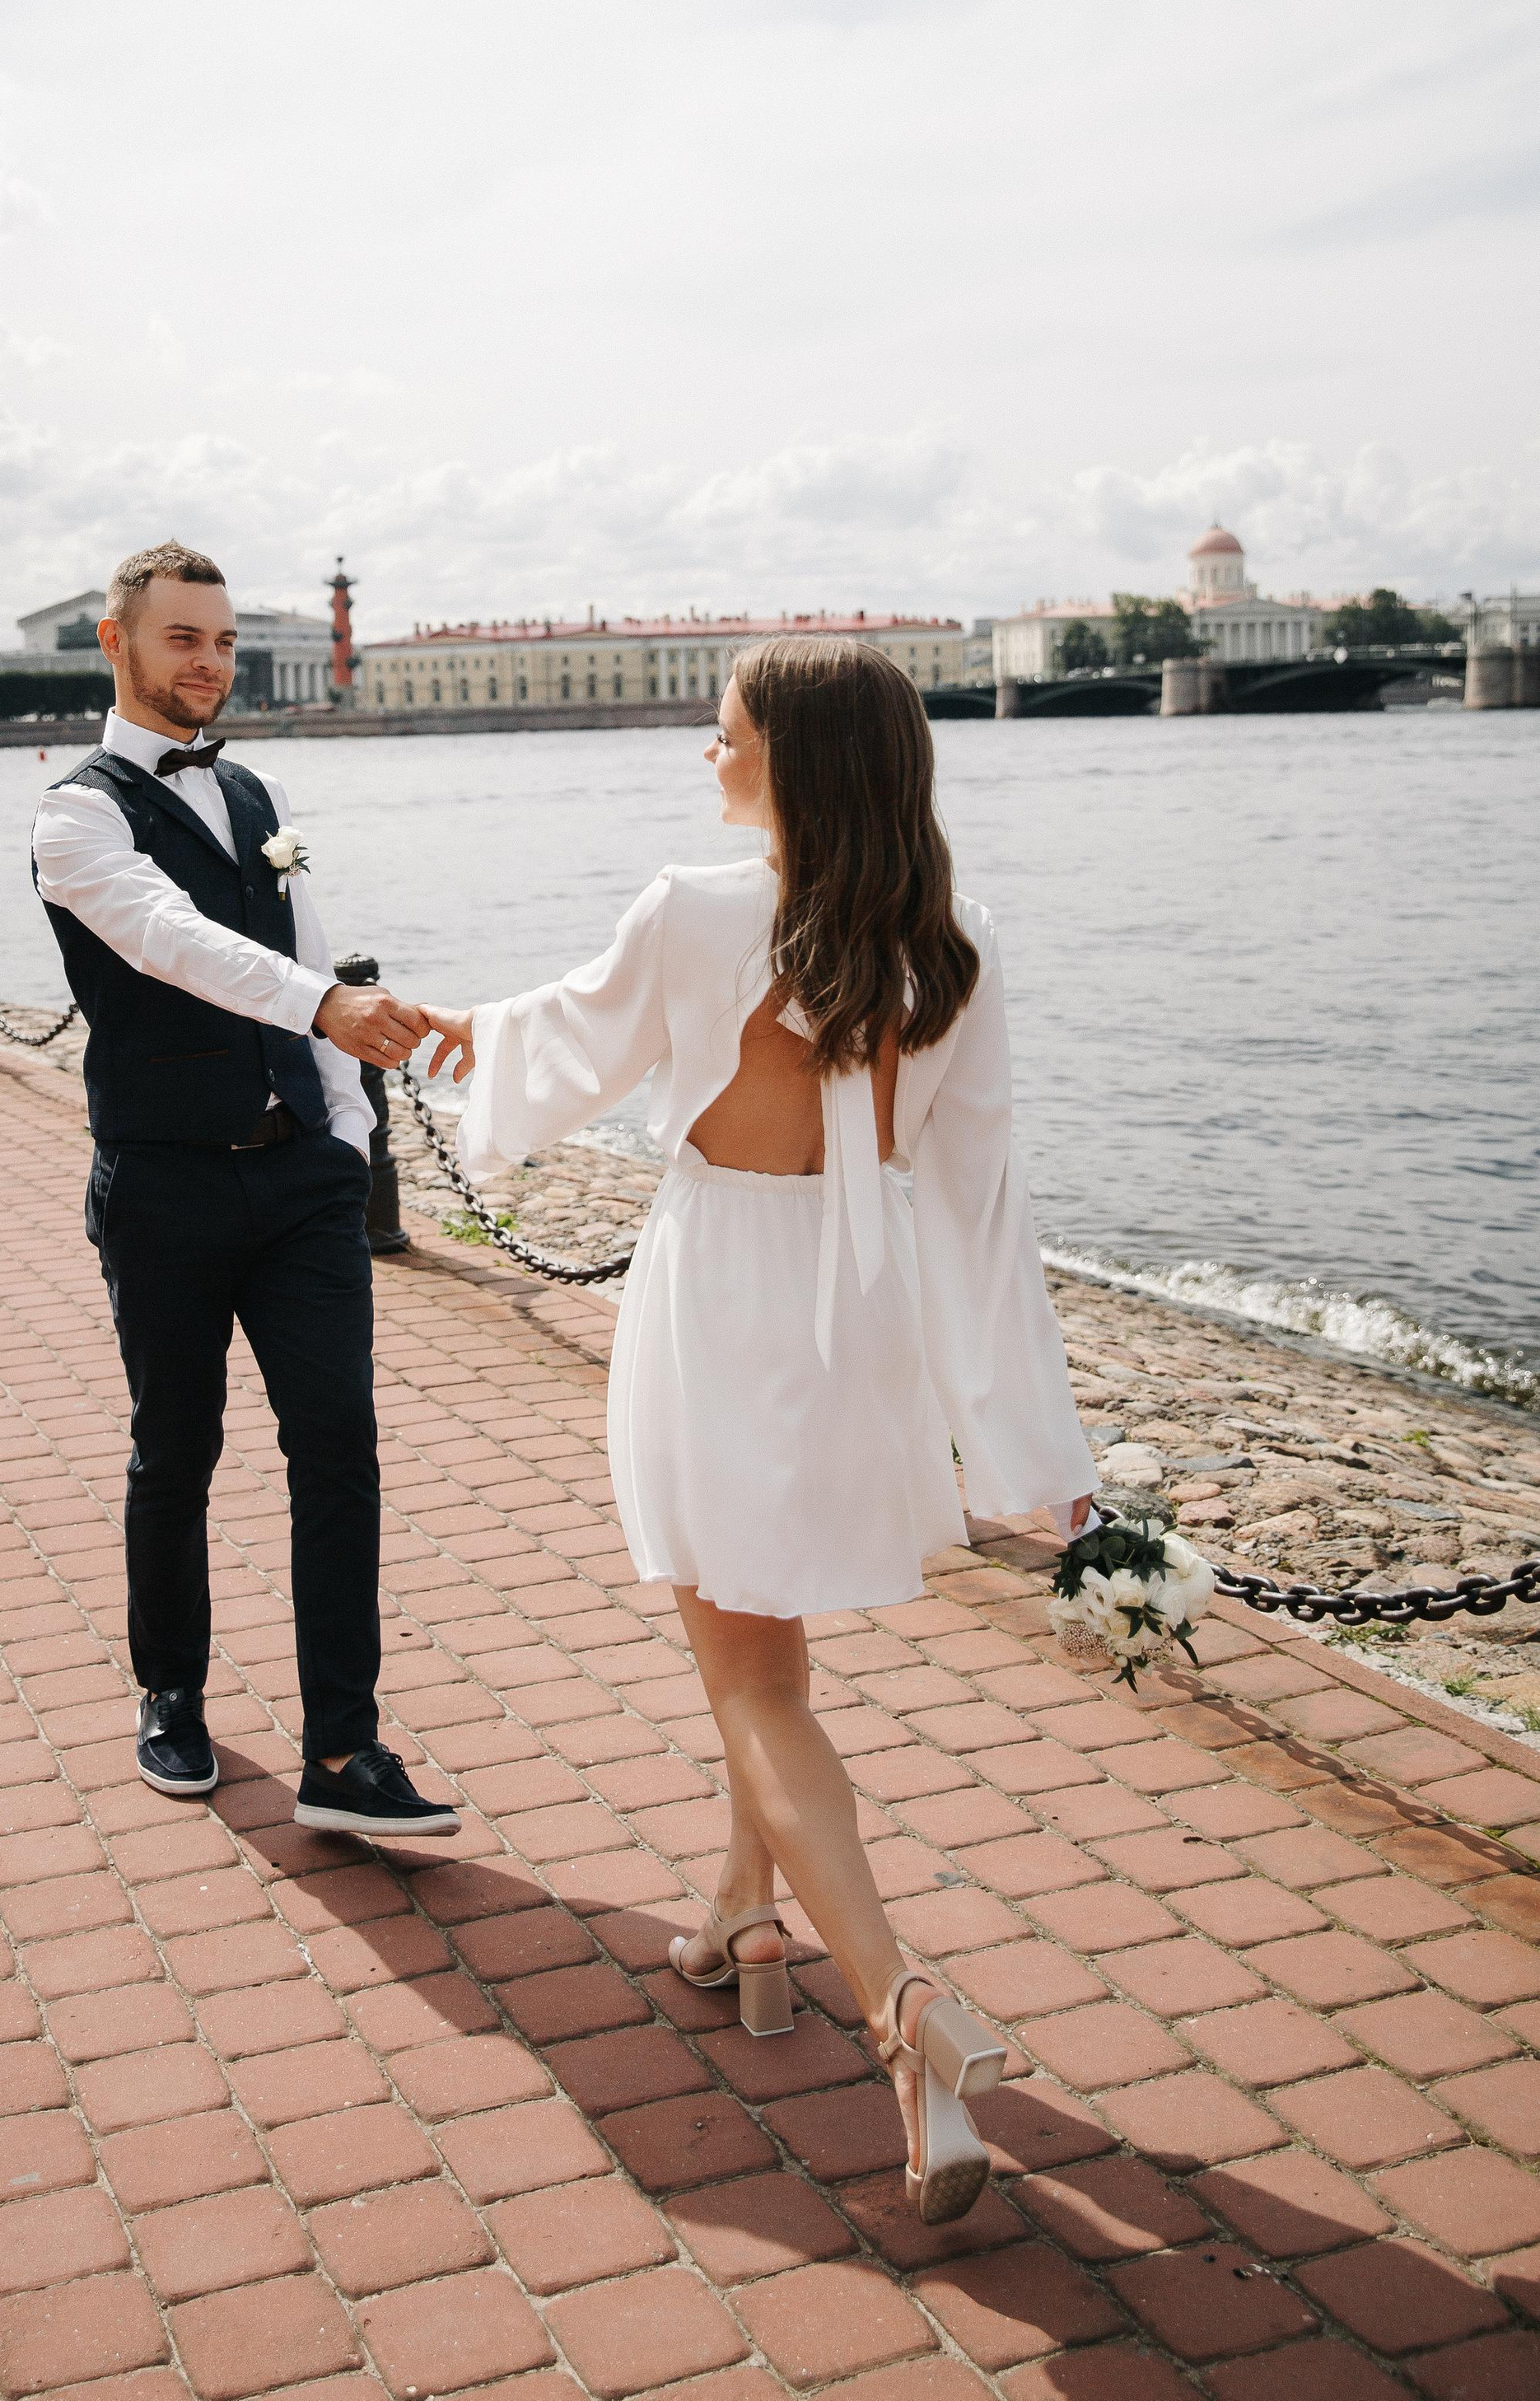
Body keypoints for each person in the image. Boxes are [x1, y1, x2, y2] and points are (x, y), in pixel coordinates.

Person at [418, 638, 1095, 2219]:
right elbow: (986, 1207)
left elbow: (557, 1049)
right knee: (765, 1653)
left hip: (721, 1294)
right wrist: (1038, 1458)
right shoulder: (959, 942)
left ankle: (905, 2012)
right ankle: (742, 1913)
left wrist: (416, 1032)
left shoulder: (696, 911)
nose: (704, 755)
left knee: (750, 1681)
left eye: (722, 733)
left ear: (792, 758)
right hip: (858, 1324)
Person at [33, 539, 459, 1843]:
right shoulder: (77, 815)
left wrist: (342, 1130)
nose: (209, 664)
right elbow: (176, 944)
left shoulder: (258, 788)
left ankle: (346, 1749)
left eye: (221, 641)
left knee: (339, 1450)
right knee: (179, 1452)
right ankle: (171, 1692)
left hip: (303, 1192)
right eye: (182, 640)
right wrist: (326, 1005)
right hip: (163, 1187)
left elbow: (299, 939)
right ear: (118, 643)